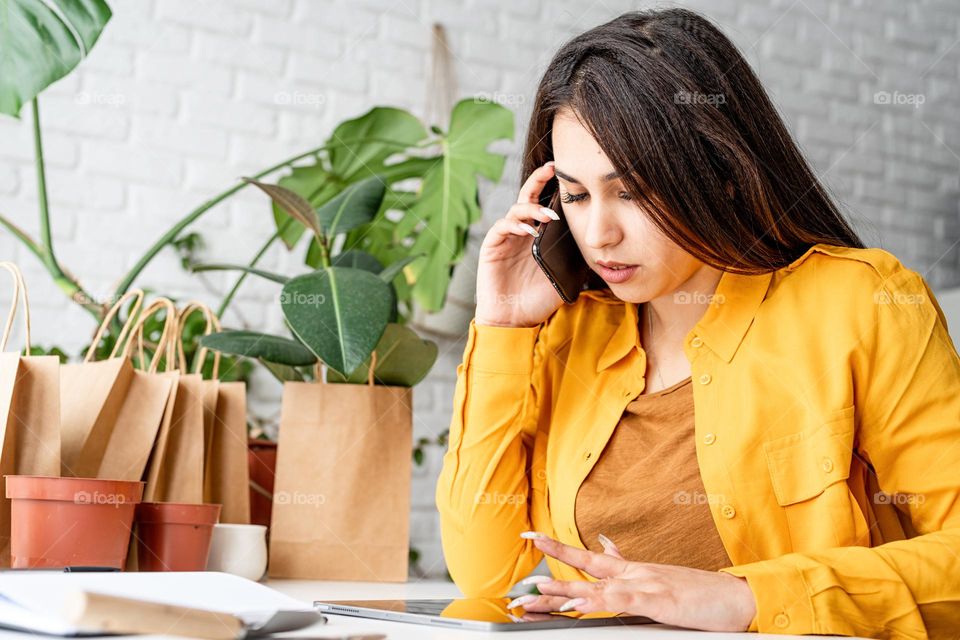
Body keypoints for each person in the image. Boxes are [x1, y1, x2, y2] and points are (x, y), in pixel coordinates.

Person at [435, 8, 960, 636]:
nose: (599, 234)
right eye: (575, 196)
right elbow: (487, 579)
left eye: (631, 191)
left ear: (721, 171)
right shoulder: (569, 332)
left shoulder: (860, 302)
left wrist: (748, 598)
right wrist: (502, 329)